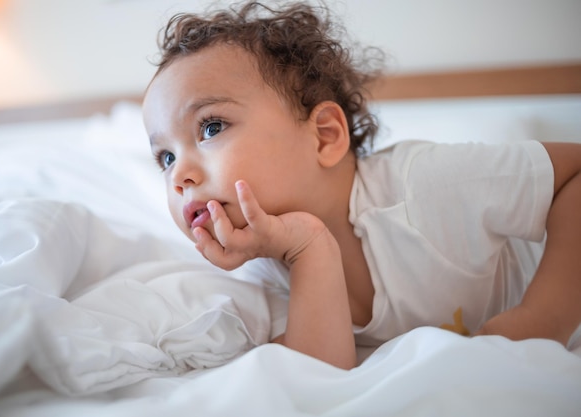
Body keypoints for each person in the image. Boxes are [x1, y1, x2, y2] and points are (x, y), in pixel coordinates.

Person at [142, 0, 581, 369]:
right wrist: (308, 245)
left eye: (212, 127)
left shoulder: (426, 186)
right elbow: (321, 380)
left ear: (326, 136)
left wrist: (544, 317)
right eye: (165, 157)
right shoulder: (253, 272)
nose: (179, 175)